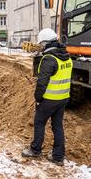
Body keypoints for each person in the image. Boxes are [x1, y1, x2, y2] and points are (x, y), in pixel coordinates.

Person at [21, 28, 73, 166]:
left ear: (46, 43)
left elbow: (42, 83)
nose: (41, 46)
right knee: (57, 126)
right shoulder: (66, 56)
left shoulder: (49, 59)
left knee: (39, 123)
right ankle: (58, 156)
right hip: (63, 98)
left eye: (42, 44)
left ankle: (35, 150)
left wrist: (38, 98)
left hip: (49, 99)